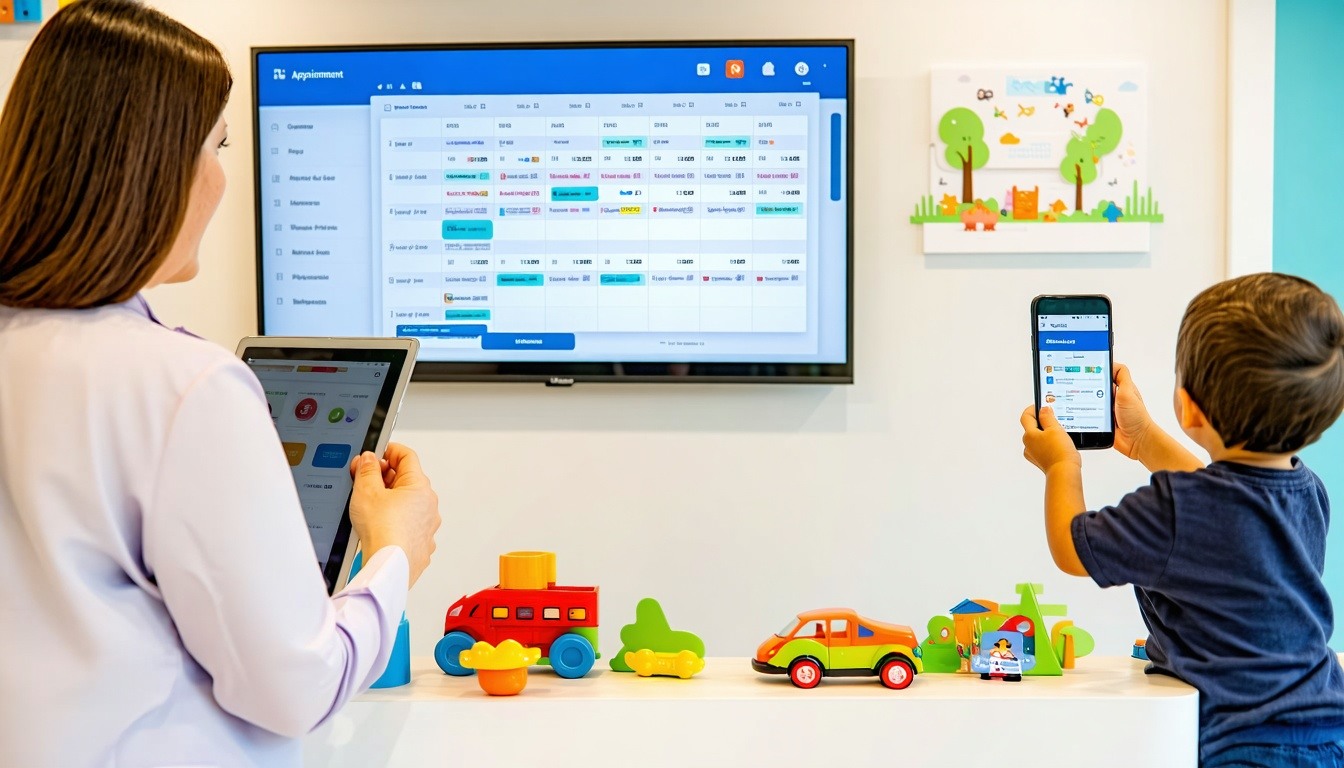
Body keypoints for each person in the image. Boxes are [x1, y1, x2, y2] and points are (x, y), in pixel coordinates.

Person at [0, 1, 441, 764]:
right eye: (218, 144)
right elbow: (295, 689)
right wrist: (392, 556)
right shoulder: (184, 386)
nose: (221, 178)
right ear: (152, 164)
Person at [1020, 273, 1344, 766]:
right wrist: (1145, 438)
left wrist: (1062, 465)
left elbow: (1071, 549)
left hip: (1242, 745)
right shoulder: (1307, 491)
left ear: (1188, 406)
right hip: (1326, 727)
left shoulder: (1177, 508)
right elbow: (1224, 503)